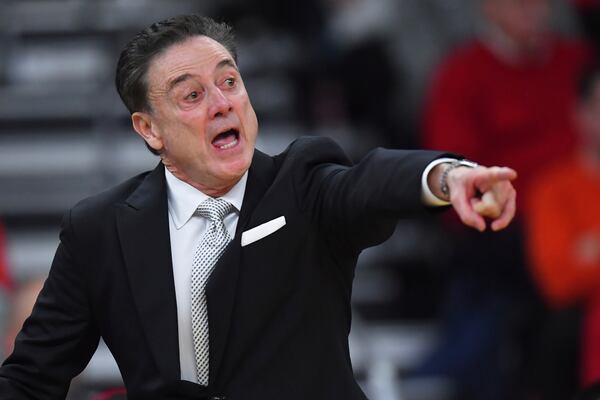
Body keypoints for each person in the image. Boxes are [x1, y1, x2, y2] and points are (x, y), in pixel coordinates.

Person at [0, 15, 517, 400]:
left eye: (229, 82)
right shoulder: (100, 229)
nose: (223, 102)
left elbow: (370, 181)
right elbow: (30, 378)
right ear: (149, 129)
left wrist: (448, 177)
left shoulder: (303, 184)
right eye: (192, 95)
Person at [420, 0, 591, 398]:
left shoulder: (577, 63)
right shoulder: (461, 74)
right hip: (509, 228)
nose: (532, 11)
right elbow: (454, 173)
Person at [526, 63, 600, 391]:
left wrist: (591, 248)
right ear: (581, 112)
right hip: (579, 337)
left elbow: (577, 267)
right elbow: (558, 281)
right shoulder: (552, 188)